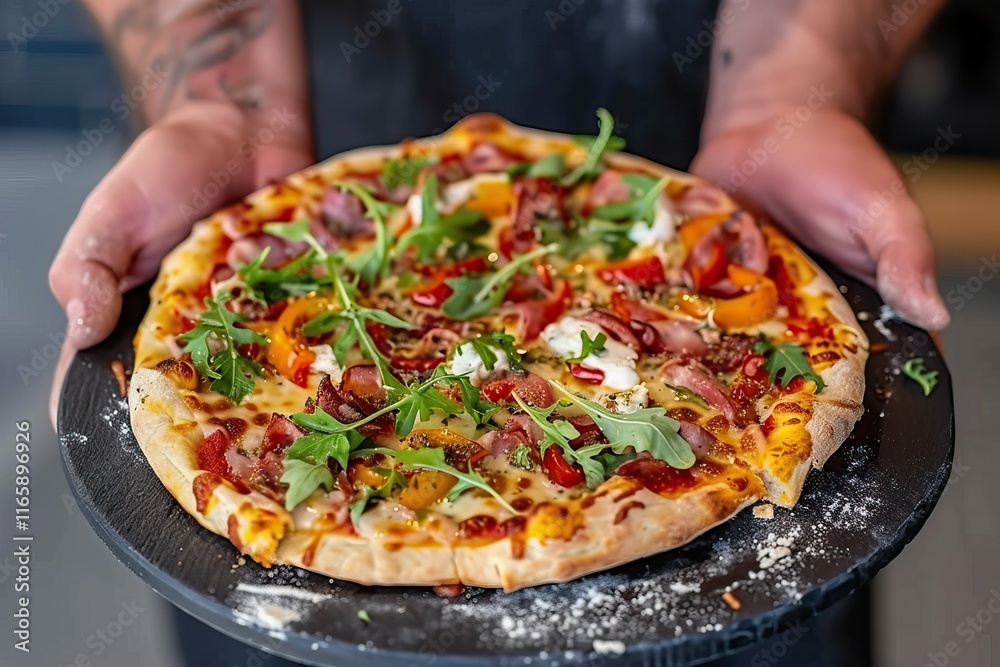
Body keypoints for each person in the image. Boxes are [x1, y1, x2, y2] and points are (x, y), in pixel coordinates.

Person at [48, 1, 949, 664]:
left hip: (720, 152)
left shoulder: (771, 385)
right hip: (307, 166)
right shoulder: (229, 406)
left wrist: (798, 91)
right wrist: (226, 108)